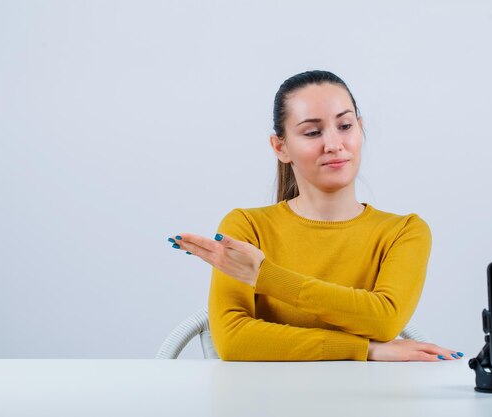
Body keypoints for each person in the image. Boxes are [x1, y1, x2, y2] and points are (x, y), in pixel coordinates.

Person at [168, 70, 463, 362]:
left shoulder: (404, 231)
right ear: (280, 147)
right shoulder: (247, 227)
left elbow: (386, 319)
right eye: (312, 132)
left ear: (360, 129)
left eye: (345, 126)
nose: (334, 144)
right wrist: (366, 349)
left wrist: (265, 276)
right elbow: (234, 340)